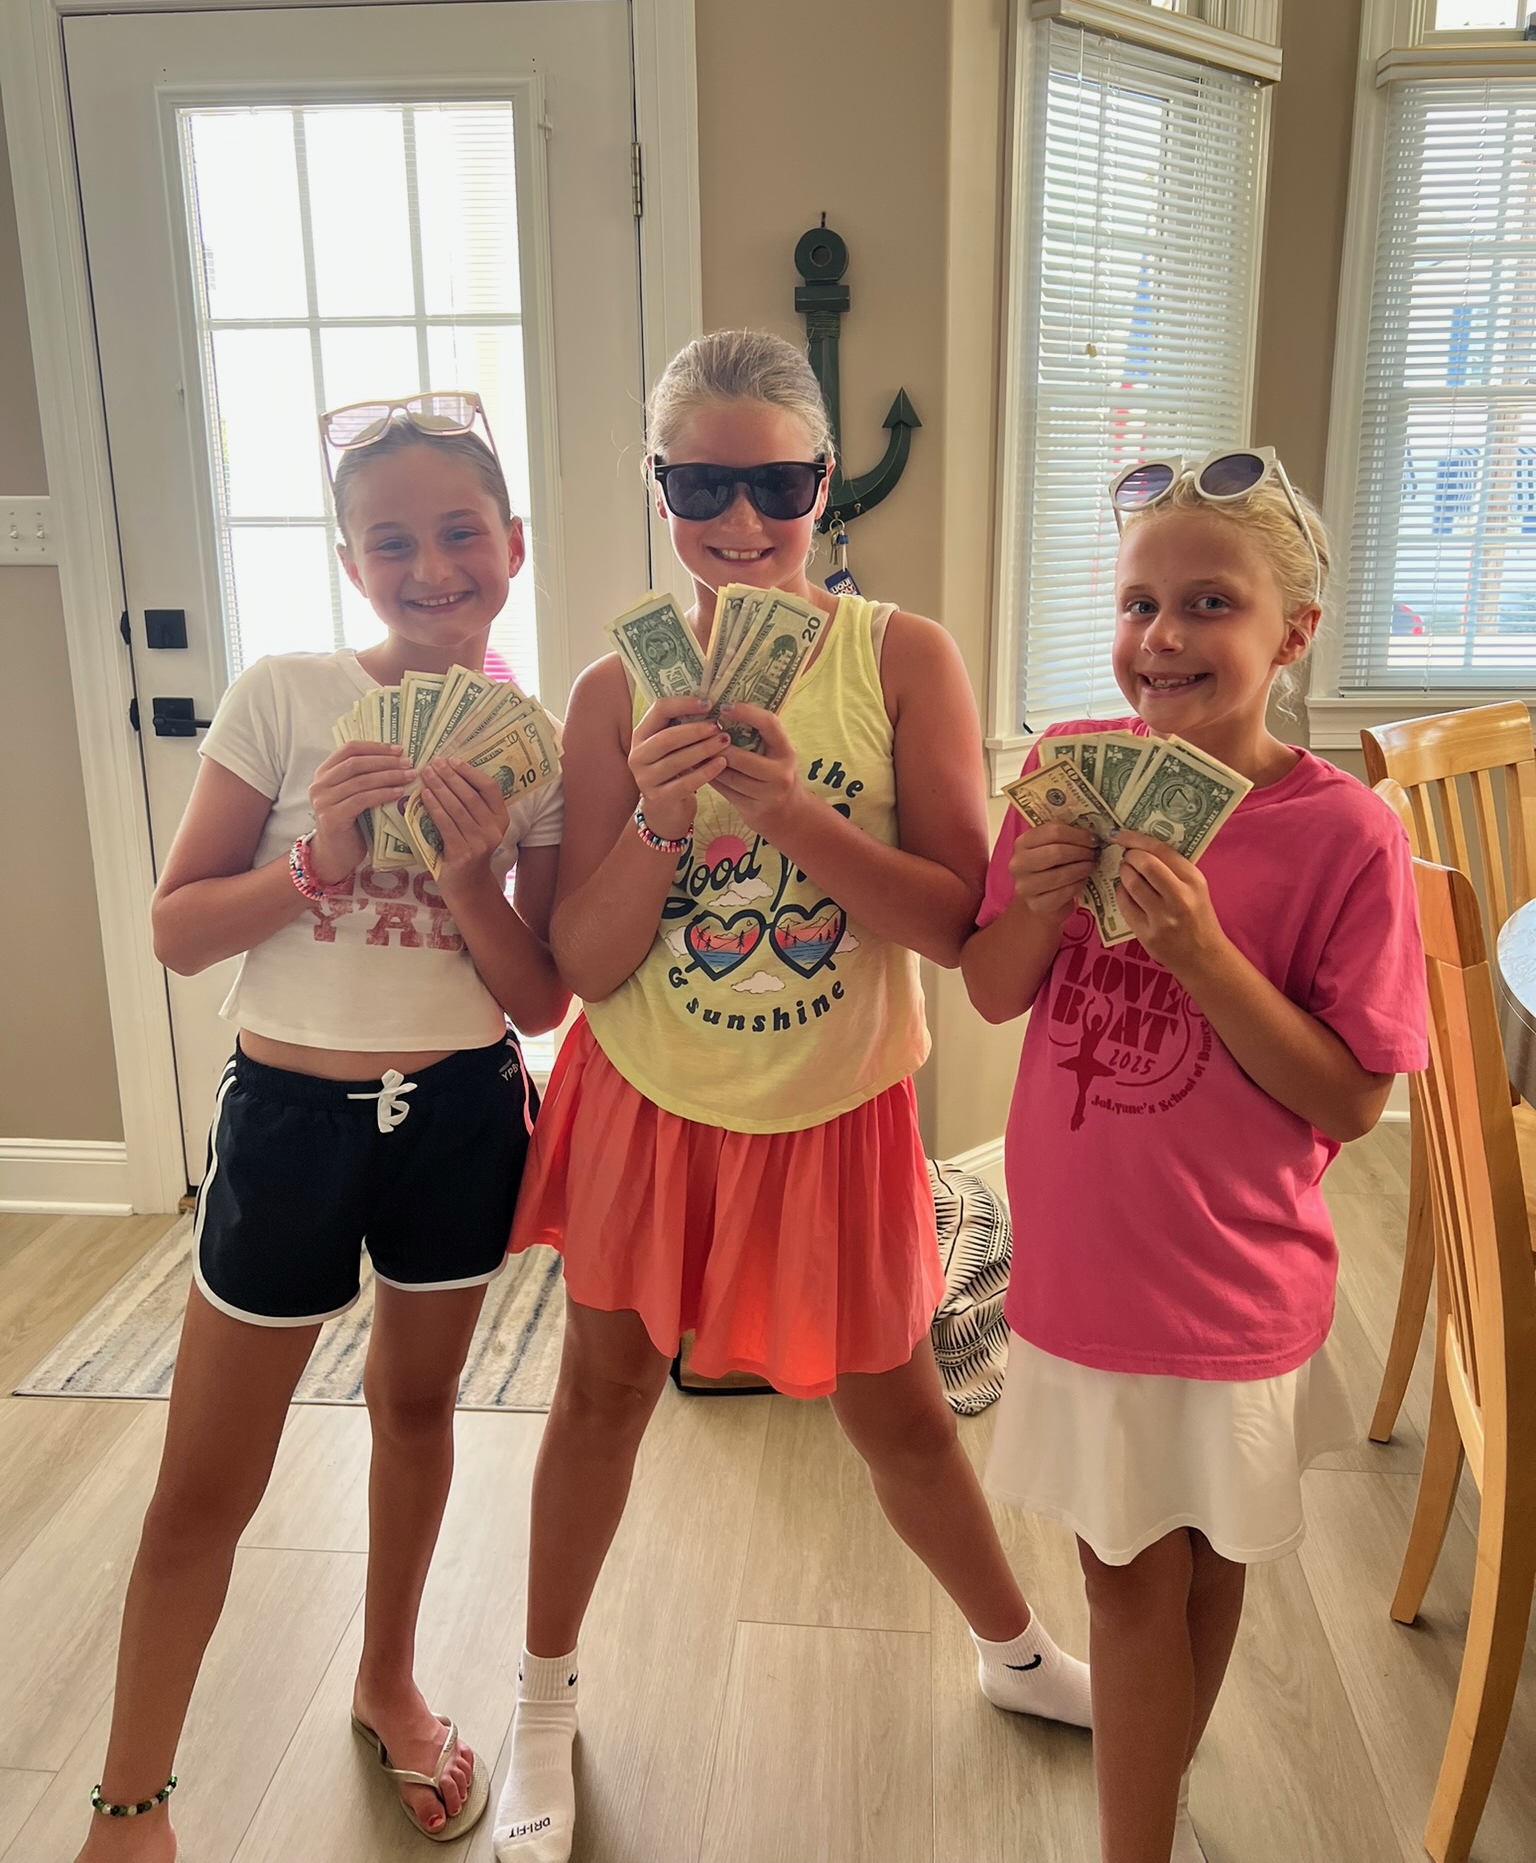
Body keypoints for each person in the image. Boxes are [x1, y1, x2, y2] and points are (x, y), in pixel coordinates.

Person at [491, 331, 1091, 1863]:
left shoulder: (903, 660)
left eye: (777, 483)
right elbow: (583, 962)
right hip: (649, 1103)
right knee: (601, 1399)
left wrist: (792, 817)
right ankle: (542, 1701)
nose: (742, 520)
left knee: (900, 1413)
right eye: (702, 484)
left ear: (825, 482)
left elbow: (956, 926)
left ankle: (1015, 1651)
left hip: (835, 1112)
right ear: (659, 488)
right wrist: (665, 818)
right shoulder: (615, 686)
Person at [75, 394, 568, 1860]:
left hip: (460, 1117)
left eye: (461, 532)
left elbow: (538, 995)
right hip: (290, 1122)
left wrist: (472, 874)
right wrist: (318, 861)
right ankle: (130, 1801)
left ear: (513, 544)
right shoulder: (286, 696)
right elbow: (176, 931)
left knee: (417, 1414)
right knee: (204, 1485)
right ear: (351, 561)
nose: (432, 568)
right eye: (391, 542)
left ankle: (387, 1678)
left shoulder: (534, 749)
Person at [961, 454, 1428, 1863]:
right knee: (1122, 1581)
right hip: (1085, 1278)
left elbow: (1351, 1101)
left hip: (1234, 1283)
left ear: (1294, 634)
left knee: (1210, 1563)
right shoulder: (1065, 770)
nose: (1160, 637)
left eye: (1209, 603)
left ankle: (1150, 1796)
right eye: (1138, 603)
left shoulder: (1346, 834)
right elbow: (992, 991)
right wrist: (1035, 902)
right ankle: (1142, 1828)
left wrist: (1209, 956)